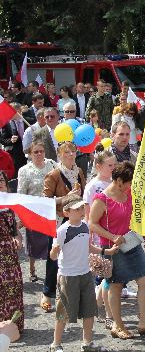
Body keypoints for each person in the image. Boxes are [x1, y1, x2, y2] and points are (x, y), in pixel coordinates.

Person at [88, 162, 145, 339]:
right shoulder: (102, 199)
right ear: (119, 181)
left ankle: (144, 323)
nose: (130, 186)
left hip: (132, 243)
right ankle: (117, 325)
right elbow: (92, 223)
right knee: (116, 285)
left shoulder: (130, 194)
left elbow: (138, 219)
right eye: (128, 182)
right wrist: (112, 237)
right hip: (113, 248)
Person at [49, 195, 118, 352]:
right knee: (63, 311)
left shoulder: (86, 226)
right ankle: (55, 344)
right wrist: (54, 250)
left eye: (82, 208)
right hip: (67, 276)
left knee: (89, 310)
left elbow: (89, 247)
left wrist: (106, 251)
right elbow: (53, 257)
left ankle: (87, 343)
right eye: (77, 209)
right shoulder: (62, 230)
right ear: (66, 212)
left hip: (85, 274)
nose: (82, 211)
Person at [41, 141, 87, 313]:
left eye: (73, 151)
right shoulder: (53, 174)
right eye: (66, 152)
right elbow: (45, 201)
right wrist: (64, 198)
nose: (70, 155)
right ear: (60, 155)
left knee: (76, 256)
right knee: (54, 258)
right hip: (60, 221)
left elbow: (84, 191)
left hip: (77, 219)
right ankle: (47, 292)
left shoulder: (79, 171)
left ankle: (74, 293)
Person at [83, 150, 116, 327]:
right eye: (110, 165)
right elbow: (88, 216)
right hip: (99, 236)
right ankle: (102, 310)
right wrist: (90, 237)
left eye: (114, 165)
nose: (113, 168)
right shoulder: (92, 186)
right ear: (98, 166)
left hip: (114, 233)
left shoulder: (114, 182)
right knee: (103, 275)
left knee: (109, 274)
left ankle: (98, 307)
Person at [17, 142, 57, 282]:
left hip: (50, 209)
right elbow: (21, 193)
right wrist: (20, 216)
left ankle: (52, 271)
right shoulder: (24, 170)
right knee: (33, 243)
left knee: (52, 242)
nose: (39, 154)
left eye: (41, 151)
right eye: (36, 152)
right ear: (30, 154)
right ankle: (32, 269)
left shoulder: (52, 165)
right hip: (33, 211)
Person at [0, 171, 24, 335]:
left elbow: (16, 230)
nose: (0, 182)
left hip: (10, 253)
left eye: (1, 180)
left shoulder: (11, 204)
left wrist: (18, 239)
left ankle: (15, 325)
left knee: (14, 286)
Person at [0, 104, 27, 171]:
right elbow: (3, 140)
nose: (8, 114)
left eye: (11, 111)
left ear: (19, 110)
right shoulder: (7, 124)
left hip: (30, 153)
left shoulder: (29, 121)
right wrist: (11, 140)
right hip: (17, 156)